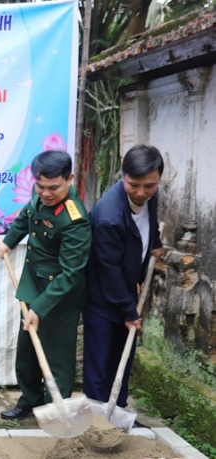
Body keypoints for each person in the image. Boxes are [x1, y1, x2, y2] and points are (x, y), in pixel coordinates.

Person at [0, 150, 91, 421]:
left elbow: (71, 273)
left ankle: (55, 411)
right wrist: (9, 241)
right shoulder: (39, 193)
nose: (46, 193)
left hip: (59, 296)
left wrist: (39, 308)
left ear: (69, 179)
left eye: (53, 188)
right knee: (27, 352)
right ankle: (30, 400)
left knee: (56, 358)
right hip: (33, 284)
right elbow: (27, 217)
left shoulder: (76, 220)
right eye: (41, 186)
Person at [83, 145, 164, 426]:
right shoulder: (109, 216)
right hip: (101, 296)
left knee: (123, 356)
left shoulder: (151, 196)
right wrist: (130, 311)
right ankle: (96, 421)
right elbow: (109, 270)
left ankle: (117, 414)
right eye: (134, 185)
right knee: (100, 362)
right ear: (123, 175)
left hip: (126, 290)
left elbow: (151, 221)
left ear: (157, 180)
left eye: (149, 186)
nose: (141, 192)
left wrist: (155, 243)